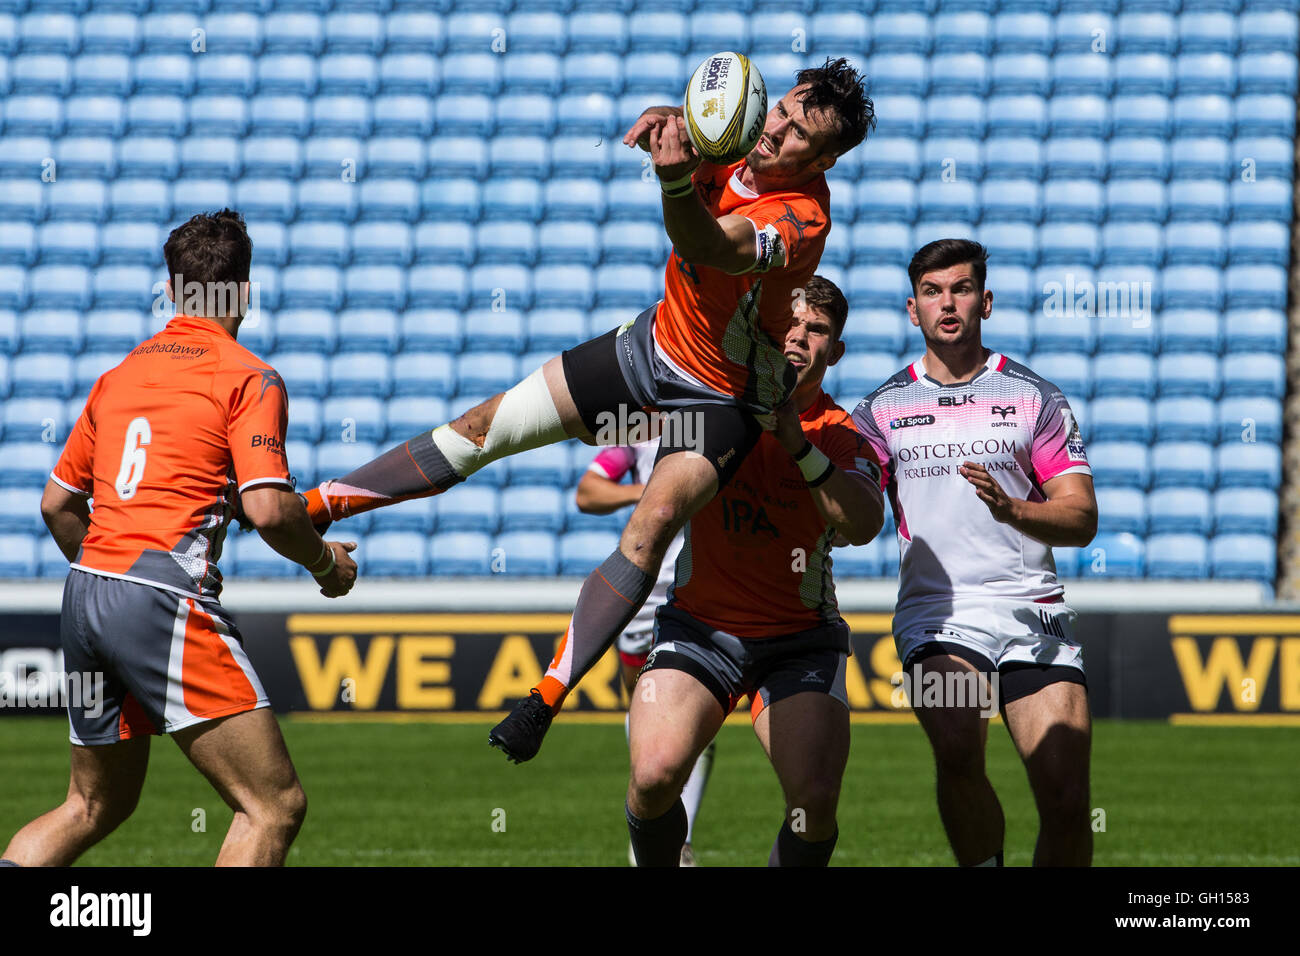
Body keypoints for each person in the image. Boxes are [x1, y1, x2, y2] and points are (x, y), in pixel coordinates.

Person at [293, 58, 875, 763]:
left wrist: (670, 175)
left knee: (653, 522)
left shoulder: (802, 218)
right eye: (779, 110)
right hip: (650, 348)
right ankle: (316, 507)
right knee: (486, 429)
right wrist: (671, 117)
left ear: (827, 160)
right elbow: (693, 124)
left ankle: (545, 698)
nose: (774, 130)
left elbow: (705, 244)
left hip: (721, 399)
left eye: (797, 133)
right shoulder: (736, 140)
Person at [0, 210, 358, 868]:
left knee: (89, 805)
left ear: (172, 288)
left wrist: (109, 581)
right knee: (271, 805)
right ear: (244, 292)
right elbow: (271, 510)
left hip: (85, 594)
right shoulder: (248, 376)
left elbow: (56, 504)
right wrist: (324, 564)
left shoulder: (118, 378)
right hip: (161, 599)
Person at [851, 239, 1098, 867]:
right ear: (913, 310)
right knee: (959, 746)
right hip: (936, 614)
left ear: (984, 300)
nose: (947, 303)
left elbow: (1082, 517)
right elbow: (848, 512)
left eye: (960, 289)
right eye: (932, 293)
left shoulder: (1035, 397)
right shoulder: (881, 410)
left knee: (1067, 800)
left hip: (1030, 610)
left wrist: (1016, 510)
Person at [625, 276, 883, 866]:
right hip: (699, 628)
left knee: (813, 805)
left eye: (816, 330)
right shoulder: (712, 410)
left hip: (799, 639)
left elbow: (864, 524)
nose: (798, 338)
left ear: (835, 351)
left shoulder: (844, 434)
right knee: (653, 777)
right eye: (790, 324)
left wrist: (796, 443)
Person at [576, 437, 711, 866]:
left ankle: (678, 839)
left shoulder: (730, 416)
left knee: (699, 719)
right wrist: (656, 490)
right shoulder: (639, 428)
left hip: (706, 590)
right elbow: (588, 492)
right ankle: (653, 831)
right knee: (646, 712)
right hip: (644, 593)